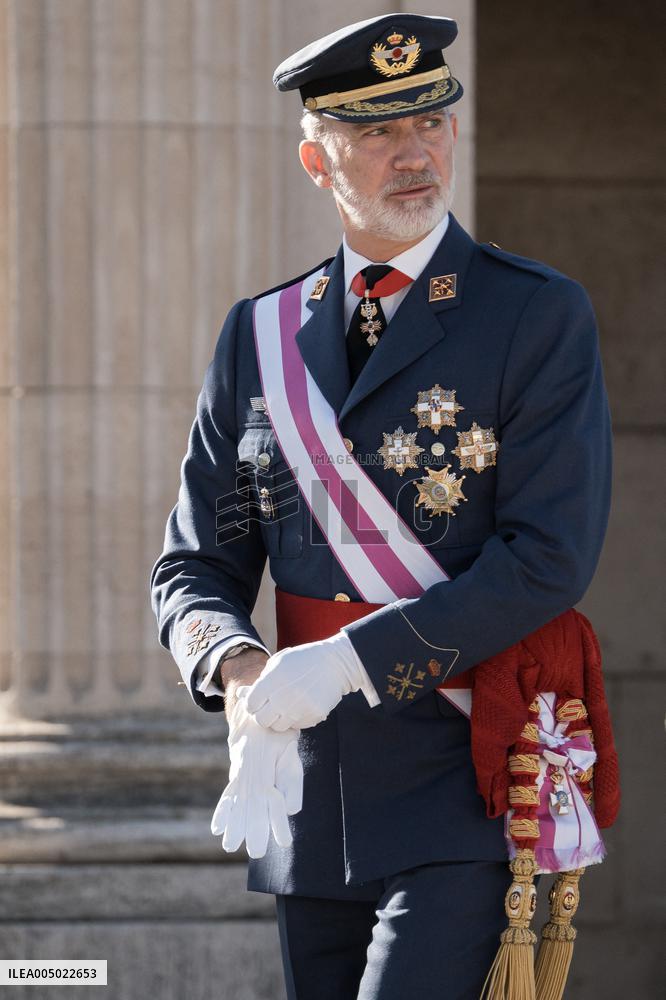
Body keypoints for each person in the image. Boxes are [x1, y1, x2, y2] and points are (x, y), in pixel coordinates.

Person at [150, 13, 618, 1000]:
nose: (414, 155)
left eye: (430, 122)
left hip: (465, 782)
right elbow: (197, 561)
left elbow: (548, 555)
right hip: (307, 796)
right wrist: (237, 669)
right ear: (316, 159)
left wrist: (345, 663)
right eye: (376, 133)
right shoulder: (259, 335)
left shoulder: (532, 314)